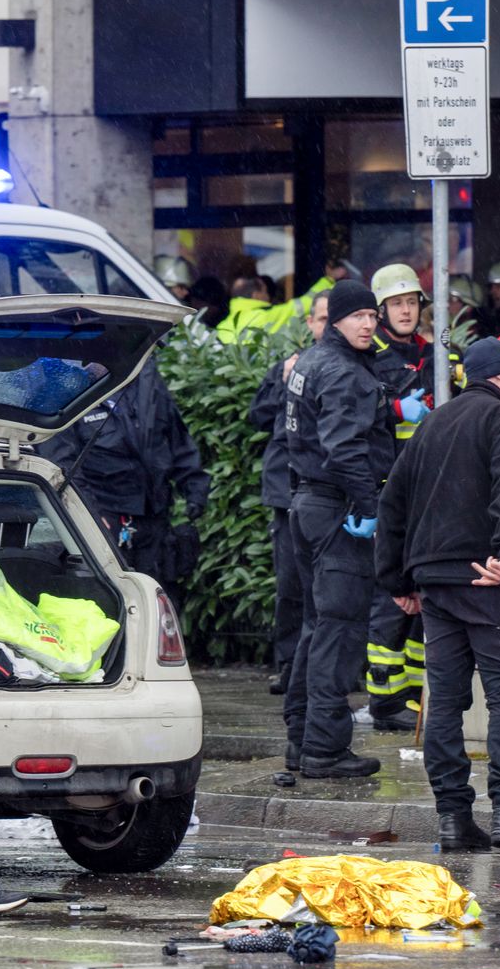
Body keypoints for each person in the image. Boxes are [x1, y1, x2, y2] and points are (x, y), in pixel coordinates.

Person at [376, 336, 500, 852]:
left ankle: (453, 817)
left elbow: (392, 504)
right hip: (486, 580)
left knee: (444, 699)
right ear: (499, 376)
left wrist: (398, 581)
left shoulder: (431, 425)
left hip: (435, 586)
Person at [281, 279, 391, 779]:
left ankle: (300, 742)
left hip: (306, 505)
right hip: (338, 511)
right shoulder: (345, 373)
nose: (368, 324)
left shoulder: (308, 362)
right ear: (337, 320)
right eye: (359, 316)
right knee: (340, 630)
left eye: (372, 315)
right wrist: (368, 504)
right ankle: (324, 748)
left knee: (315, 626)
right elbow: (344, 449)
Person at [40, 356, 210, 597]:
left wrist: (194, 487)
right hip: (105, 519)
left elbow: (173, 435)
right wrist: (90, 516)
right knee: (114, 598)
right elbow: (64, 467)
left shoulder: (145, 378)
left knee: (158, 599)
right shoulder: (66, 392)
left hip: (155, 516)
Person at [360, 263, 436, 732]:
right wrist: (394, 409)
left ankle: (412, 690)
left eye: (411, 302)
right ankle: (385, 698)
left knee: (422, 595)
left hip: (428, 490)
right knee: (391, 596)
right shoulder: (371, 355)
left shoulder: (433, 354)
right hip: (389, 488)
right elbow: (356, 414)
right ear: (381, 310)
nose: (405, 310)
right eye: (396, 304)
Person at [250, 290, 327, 692]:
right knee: (292, 586)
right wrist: (282, 384)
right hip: (286, 492)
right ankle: (289, 666)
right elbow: (257, 417)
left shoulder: (348, 368)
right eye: (321, 318)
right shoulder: (289, 365)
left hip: (328, 491)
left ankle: (327, 668)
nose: (326, 325)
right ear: (310, 324)